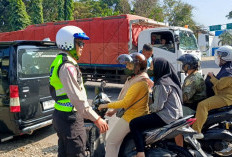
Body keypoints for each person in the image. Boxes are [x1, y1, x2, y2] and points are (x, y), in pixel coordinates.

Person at [49, 26, 108, 157]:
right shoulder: (67, 66)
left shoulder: (59, 61)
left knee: (64, 152)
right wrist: (96, 118)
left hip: (61, 115)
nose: (82, 46)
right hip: (70, 119)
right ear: (68, 43)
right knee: (77, 152)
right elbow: (77, 99)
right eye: (79, 43)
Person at [98, 53, 153, 157]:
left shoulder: (139, 82)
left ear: (137, 67)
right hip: (134, 114)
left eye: (129, 65)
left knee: (111, 141)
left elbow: (125, 102)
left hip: (132, 116)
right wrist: (114, 111)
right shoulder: (135, 79)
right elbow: (125, 98)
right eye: (127, 64)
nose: (126, 67)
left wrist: (105, 105)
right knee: (118, 142)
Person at [129, 58, 183, 157]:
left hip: (166, 116)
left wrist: (147, 109)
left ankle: (140, 152)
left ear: (159, 68)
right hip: (174, 115)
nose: (150, 69)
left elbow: (157, 107)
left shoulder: (162, 83)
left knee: (134, 123)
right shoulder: (168, 80)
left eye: (152, 66)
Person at [192, 45, 232, 133]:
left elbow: (219, 85)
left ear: (225, 57)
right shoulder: (227, 68)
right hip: (223, 95)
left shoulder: (228, 71)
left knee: (202, 105)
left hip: (225, 98)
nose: (218, 59)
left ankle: (195, 132)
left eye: (219, 57)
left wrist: (211, 76)